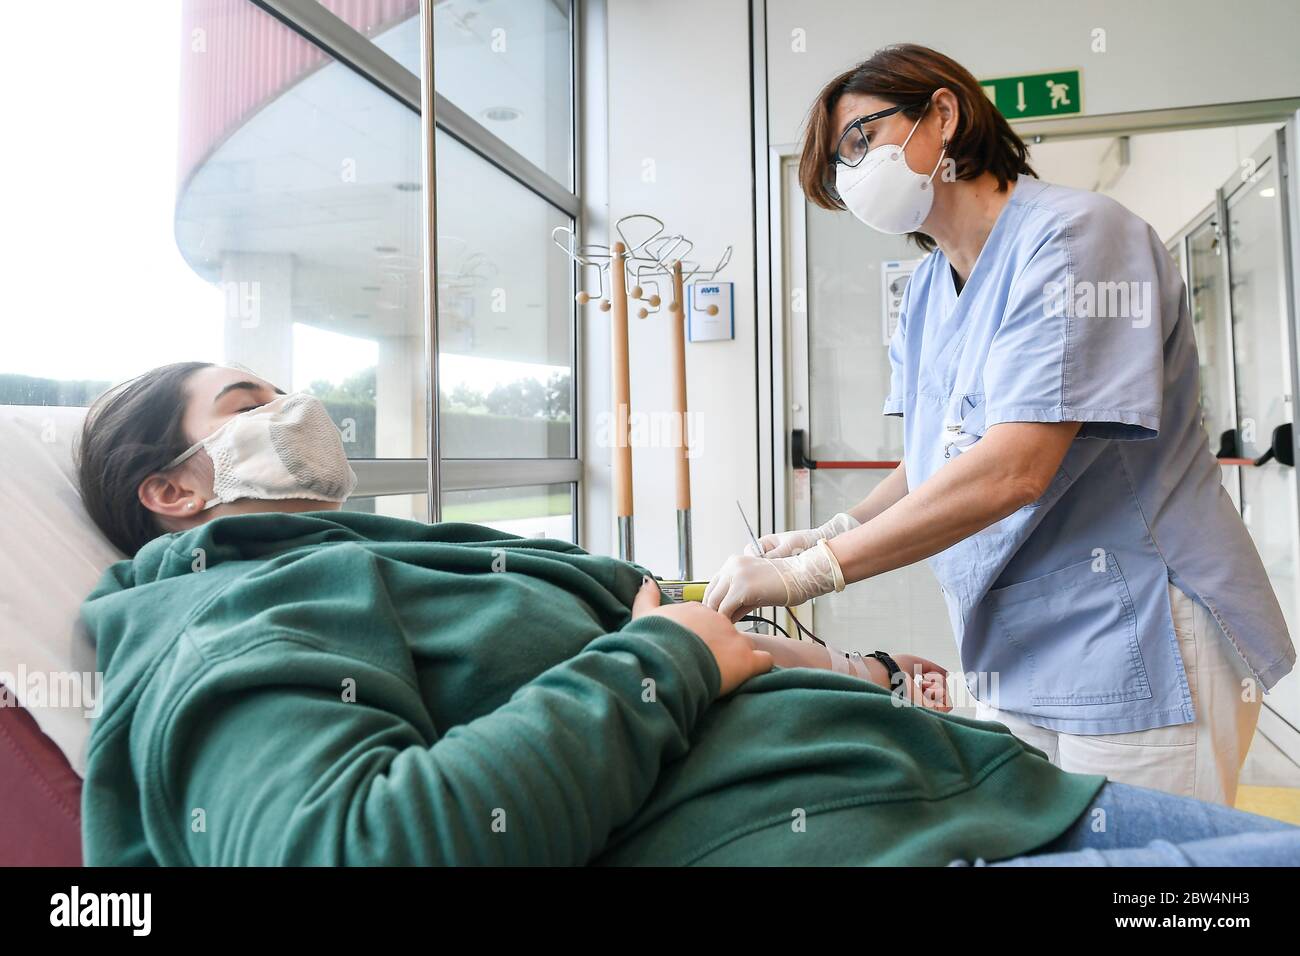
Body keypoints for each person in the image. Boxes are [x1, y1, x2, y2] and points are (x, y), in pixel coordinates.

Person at [73, 363, 1297, 866]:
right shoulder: (231, 609)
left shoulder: (385, 557)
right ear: (172, 491)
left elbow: (672, 639)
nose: (297, 409)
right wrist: (665, 648)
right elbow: (346, 847)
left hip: (993, 793)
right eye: (250, 400)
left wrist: (814, 643)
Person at [704, 43, 1294, 807]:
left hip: (1139, 627)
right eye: (835, 171)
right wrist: (828, 530)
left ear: (941, 114)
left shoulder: (1078, 238)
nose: (851, 177)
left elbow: (1014, 467)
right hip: (1020, 644)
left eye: (859, 142)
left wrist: (813, 573)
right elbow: (940, 457)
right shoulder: (924, 296)